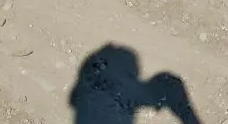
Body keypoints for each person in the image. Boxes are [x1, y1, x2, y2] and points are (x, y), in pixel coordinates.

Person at [69, 44, 201, 124]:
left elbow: (170, 87)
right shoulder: (123, 93)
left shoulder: (123, 93)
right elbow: (170, 87)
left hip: (101, 79)